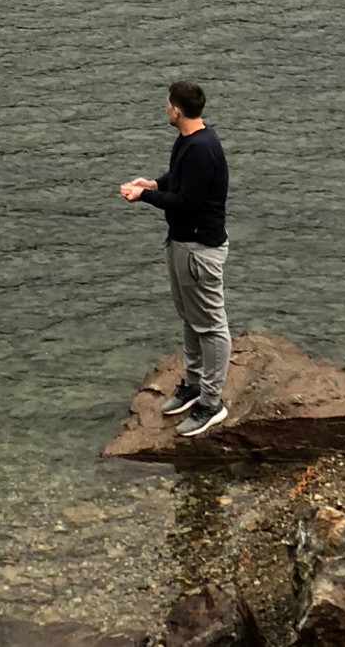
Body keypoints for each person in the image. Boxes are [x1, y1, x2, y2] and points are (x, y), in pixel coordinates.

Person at [118, 79, 230, 438]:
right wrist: (152, 184)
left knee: (210, 325)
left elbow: (187, 201)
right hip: (182, 244)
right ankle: (193, 385)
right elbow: (179, 182)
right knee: (189, 317)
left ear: (176, 110)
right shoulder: (189, 141)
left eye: (167, 104)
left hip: (199, 249)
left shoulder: (202, 147)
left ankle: (212, 403)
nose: (165, 108)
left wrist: (143, 198)